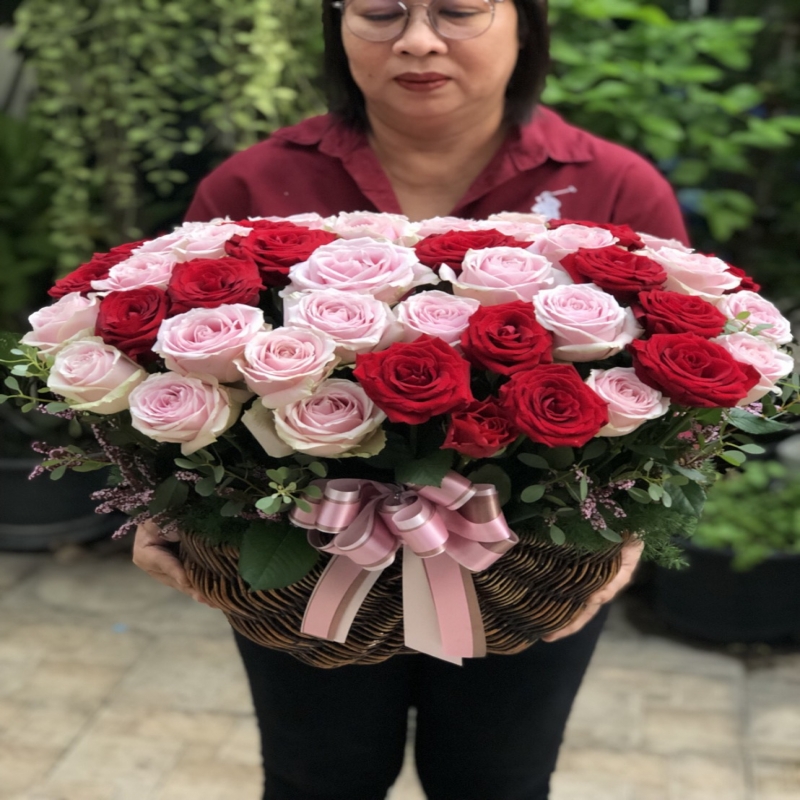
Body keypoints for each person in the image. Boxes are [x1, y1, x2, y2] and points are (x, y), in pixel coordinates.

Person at [134, 1, 689, 798]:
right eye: (380, 11)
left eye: (458, 9)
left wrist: (629, 524)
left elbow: (685, 388)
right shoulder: (254, 185)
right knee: (317, 779)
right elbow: (164, 366)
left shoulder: (611, 187)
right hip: (305, 563)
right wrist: (161, 500)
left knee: (497, 781)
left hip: (530, 566)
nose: (418, 40)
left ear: (525, 22)